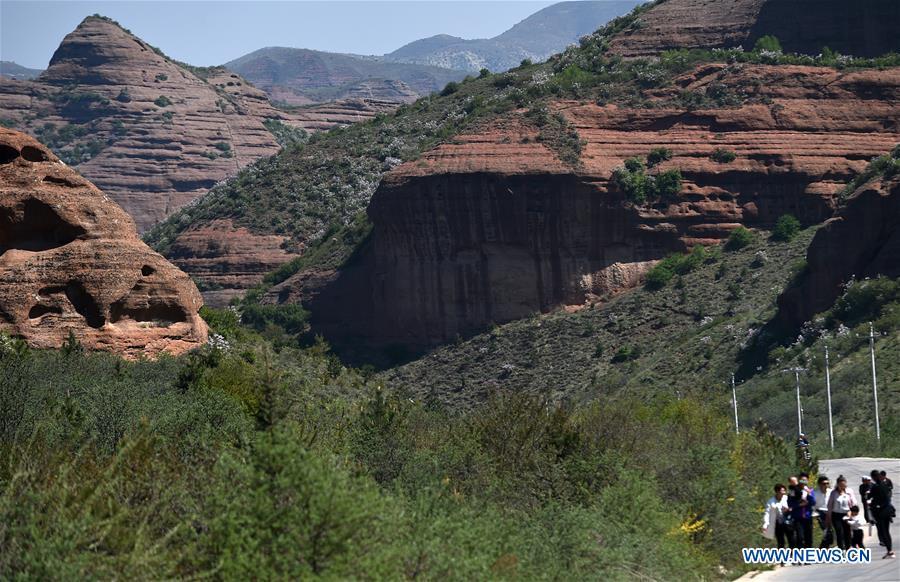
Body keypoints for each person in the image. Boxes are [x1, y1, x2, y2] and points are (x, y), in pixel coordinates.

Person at [869, 470, 896, 559]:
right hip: (887, 510)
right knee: (886, 532)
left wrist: (871, 502)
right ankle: (890, 551)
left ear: (873, 477)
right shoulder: (885, 484)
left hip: (880, 511)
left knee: (883, 531)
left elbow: (871, 498)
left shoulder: (875, 487)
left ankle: (890, 551)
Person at [826, 475, 857, 550]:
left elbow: (854, 503)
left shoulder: (849, 492)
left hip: (847, 514)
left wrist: (851, 513)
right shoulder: (834, 493)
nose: (842, 487)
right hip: (836, 515)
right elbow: (829, 506)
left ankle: (848, 547)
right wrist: (829, 518)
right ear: (838, 484)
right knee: (839, 531)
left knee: (847, 532)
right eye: (841, 485)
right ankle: (841, 548)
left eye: (844, 485)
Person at [788, 474, 815, 548]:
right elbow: (790, 504)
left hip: (808, 517)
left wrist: (809, 494)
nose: (803, 481)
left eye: (805, 480)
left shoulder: (810, 490)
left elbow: (813, 502)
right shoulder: (793, 491)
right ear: (799, 480)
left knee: (809, 539)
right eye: (802, 480)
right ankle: (799, 555)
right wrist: (800, 505)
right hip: (798, 518)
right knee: (800, 537)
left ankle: (809, 556)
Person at [763, 484, 793, 549]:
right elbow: (767, 513)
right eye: (781, 491)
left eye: (784, 491)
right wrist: (765, 525)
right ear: (777, 492)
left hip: (788, 522)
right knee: (781, 541)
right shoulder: (771, 502)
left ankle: (793, 556)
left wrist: (789, 509)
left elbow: (793, 506)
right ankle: (781, 557)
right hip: (778, 523)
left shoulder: (787, 498)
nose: (783, 493)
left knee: (791, 540)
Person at [815, 475, 834, 548]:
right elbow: (813, 506)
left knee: (829, 534)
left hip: (830, 513)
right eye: (823, 484)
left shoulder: (831, 492)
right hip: (820, 514)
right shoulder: (815, 493)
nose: (826, 485)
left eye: (827, 483)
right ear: (819, 484)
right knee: (827, 532)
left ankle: (824, 550)